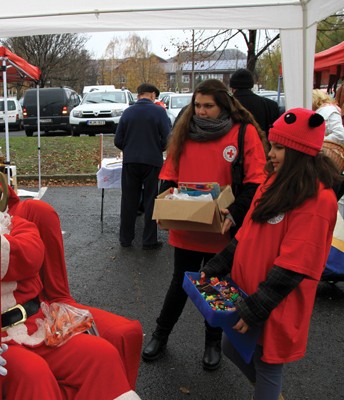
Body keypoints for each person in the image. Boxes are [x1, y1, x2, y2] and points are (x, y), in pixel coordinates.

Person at [0, 176, 139, 400]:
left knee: (101, 355)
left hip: (39, 327)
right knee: (33, 373)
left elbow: (31, 256)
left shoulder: (20, 228)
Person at [200, 108, 341, 400]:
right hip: (248, 290)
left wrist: (258, 307)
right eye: (271, 146)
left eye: (279, 148)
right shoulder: (273, 181)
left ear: (300, 152)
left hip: (276, 300)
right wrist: (218, 264)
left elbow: (296, 264)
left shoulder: (317, 199)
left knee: (267, 363)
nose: (270, 154)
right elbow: (246, 233)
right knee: (231, 346)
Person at [142, 79, 267, 370]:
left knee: (216, 287)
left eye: (208, 106)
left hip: (222, 229)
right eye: (197, 105)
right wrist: (166, 206)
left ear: (224, 105)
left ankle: (212, 342)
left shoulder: (243, 133)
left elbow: (255, 183)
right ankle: (161, 335)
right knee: (179, 283)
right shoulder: (184, 132)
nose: (201, 111)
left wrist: (233, 213)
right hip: (187, 227)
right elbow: (170, 179)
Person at [114, 83, 171, 249]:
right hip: (152, 161)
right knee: (151, 199)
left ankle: (125, 239)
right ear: (152, 95)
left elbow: (118, 140)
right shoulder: (159, 112)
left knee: (128, 200)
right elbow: (167, 138)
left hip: (130, 161)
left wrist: (130, 148)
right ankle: (149, 240)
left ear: (138, 95)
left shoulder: (128, 112)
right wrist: (157, 148)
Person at [229, 68, 280, 136]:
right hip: (263, 145)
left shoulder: (225, 105)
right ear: (251, 85)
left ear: (232, 88)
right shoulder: (271, 106)